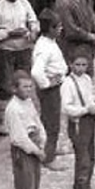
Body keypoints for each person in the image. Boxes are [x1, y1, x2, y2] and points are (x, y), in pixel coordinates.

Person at [0, 0, 39, 135]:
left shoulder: (24, 3)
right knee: (5, 85)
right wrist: (10, 33)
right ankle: (3, 121)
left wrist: (33, 30)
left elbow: (34, 21)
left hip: (23, 50)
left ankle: (25, 119)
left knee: (24, 83)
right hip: (6, 52)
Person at [5, 70, 46, 189]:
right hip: (23, 151)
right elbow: (19, 137)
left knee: (35, 184)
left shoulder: (28, 102)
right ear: (14, 89)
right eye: (24, 87)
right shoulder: (13, 109)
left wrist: (42, 138)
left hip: (34, 144)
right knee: (25, 188)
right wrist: (36, 151)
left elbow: (37, 120)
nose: (28, 90)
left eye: (30, 86)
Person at [61, 52, 95, 189]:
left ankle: (83, 183)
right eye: (77, 65)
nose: (80, 68)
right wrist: (85, 109)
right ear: (70, 64)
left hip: (89, 121)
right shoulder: (67, 84)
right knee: (83, 158)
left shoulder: (86, 79)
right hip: (78, 123)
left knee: (91, 154)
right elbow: (67, 108)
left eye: (84, 65)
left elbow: (89, 96)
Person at [30, 9, 68, 173]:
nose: (60, 29)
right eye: (58, 27)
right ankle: (48, 157)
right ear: (50, 29)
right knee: (51, 124)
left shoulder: (49, 42)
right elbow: (36, 72)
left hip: (54, 88)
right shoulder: (44, 48)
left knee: (52, 120)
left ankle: (50, 147)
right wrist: (47, 84)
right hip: (49, 91)